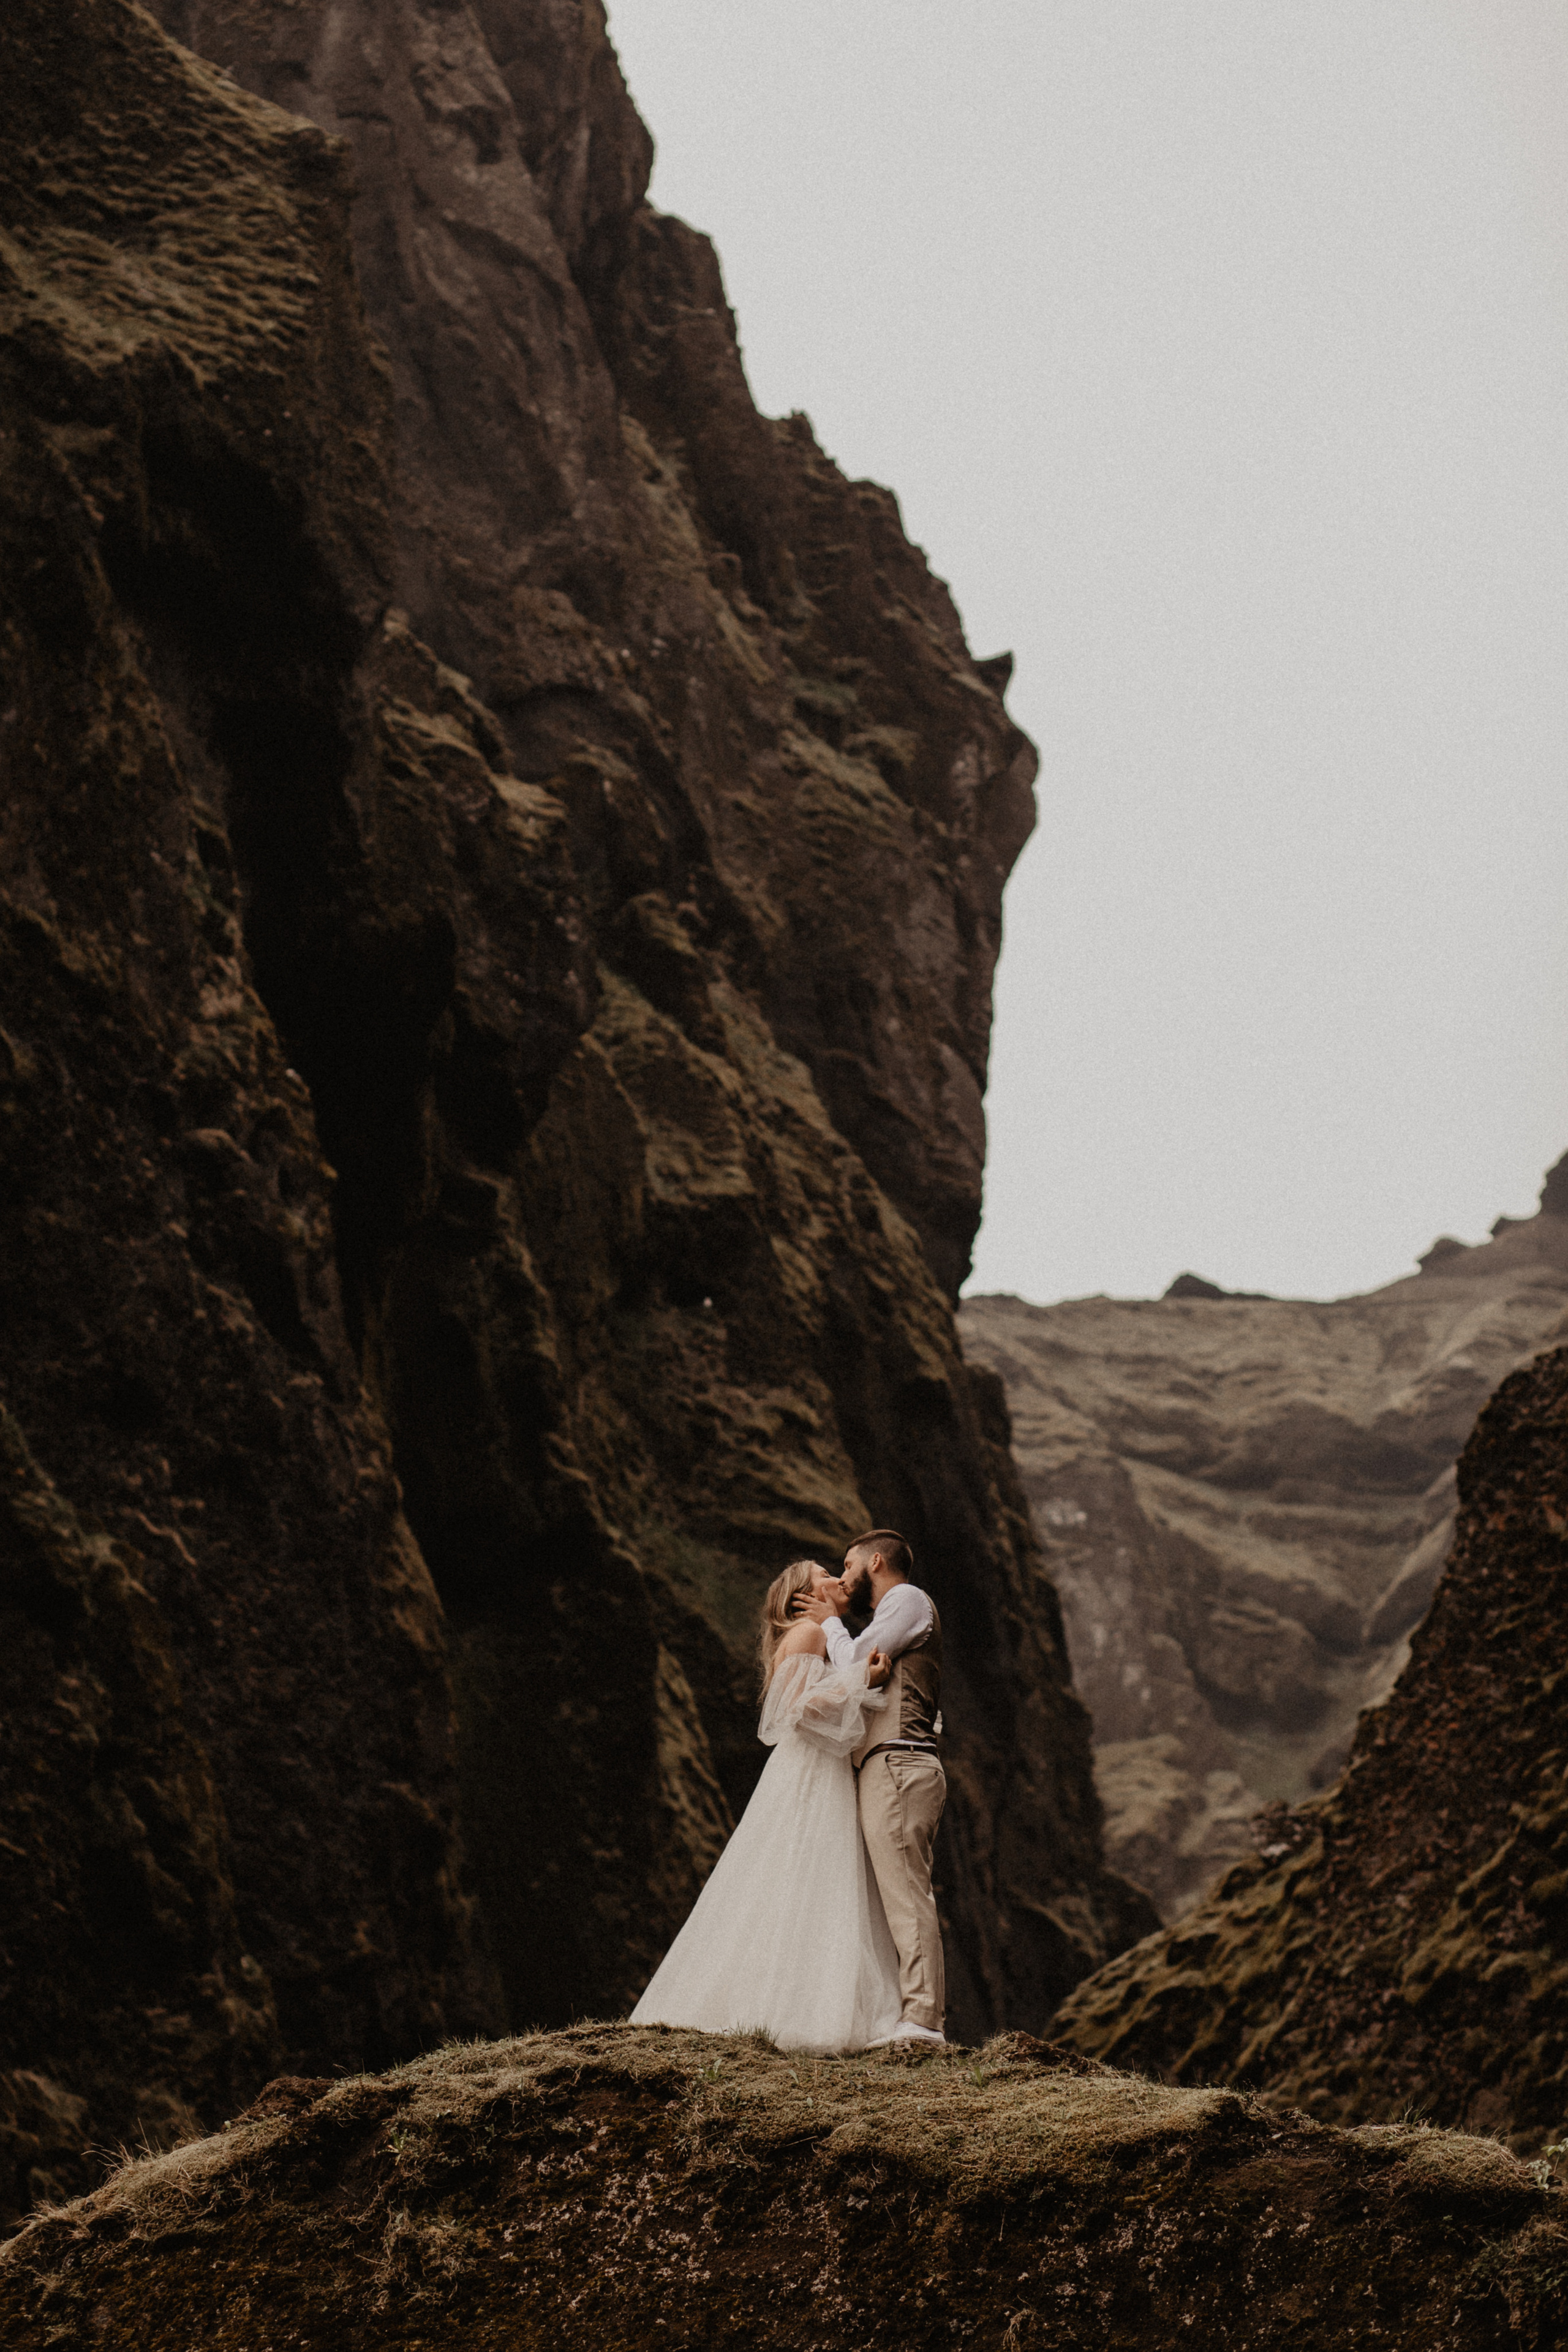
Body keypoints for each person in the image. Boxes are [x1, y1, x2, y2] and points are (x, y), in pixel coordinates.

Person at [628, 1560, 907, 2052]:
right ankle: (796, 2010)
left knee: (813, 1878)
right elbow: (794, 1710)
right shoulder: (808, 1633)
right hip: (810, 1773)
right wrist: (862, 1678)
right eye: (826, 1574)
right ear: (803, 1595)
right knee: (805, 1874)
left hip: (821, 1769)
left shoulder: (816, 1634)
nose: (839, 1580)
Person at [793, 1528, 946, 2045]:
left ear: (875, 1561)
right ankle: (900, 2013)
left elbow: (857, 1659)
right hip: (888, 1766)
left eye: (848, 1564)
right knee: (892, 1896)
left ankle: (922, 2020)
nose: (843, 1575)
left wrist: (832, 1623)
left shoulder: (906, 1599)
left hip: (899, 1765)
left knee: (906, 1894)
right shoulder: (893, 1615)